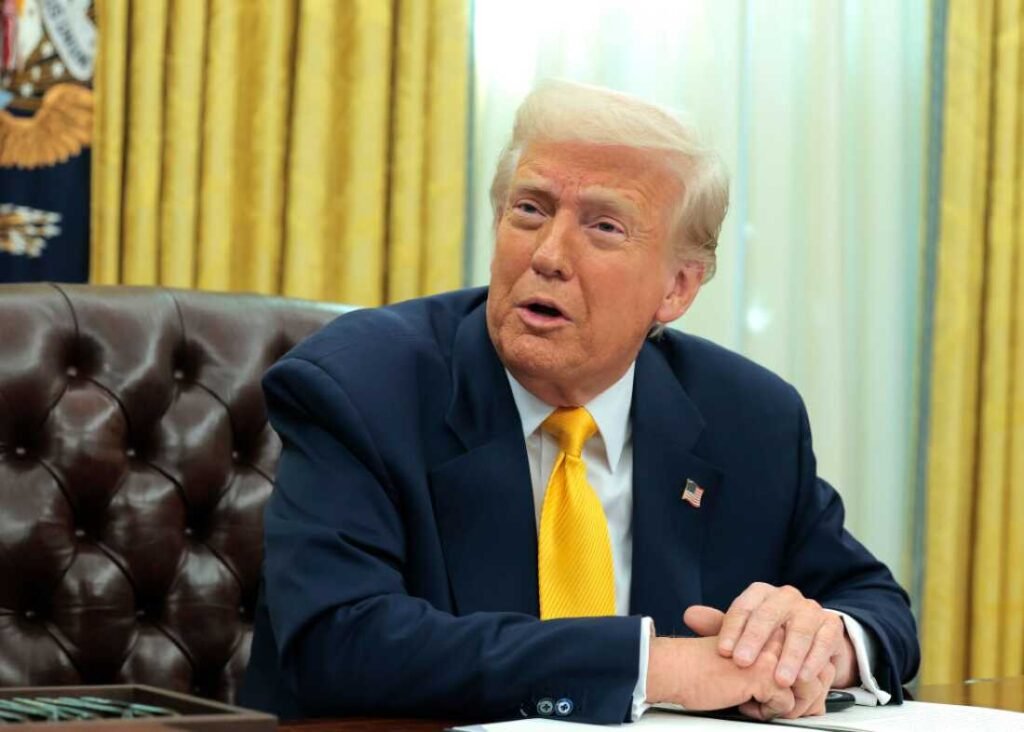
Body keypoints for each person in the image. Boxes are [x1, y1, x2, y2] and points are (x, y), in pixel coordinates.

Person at [240, 81, 919, 724]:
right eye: (530, 210)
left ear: (677, 289)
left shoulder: (749, 417)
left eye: (604, 227)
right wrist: (658, 667)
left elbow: (877, 607)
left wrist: (819, 646)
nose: (549, 255)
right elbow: (339, 642)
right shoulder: (360, 387)